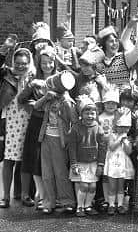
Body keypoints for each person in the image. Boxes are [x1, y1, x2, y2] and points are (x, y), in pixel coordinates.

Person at [17, 46, 57, 209]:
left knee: (49, 161)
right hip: (36, 123)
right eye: (44, 63)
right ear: (39, 64)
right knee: (33, 158)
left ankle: (48, 195)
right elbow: (21, 99)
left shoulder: (60, 79)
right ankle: (36, 194)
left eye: (50, 62)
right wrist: (31, 100)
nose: (47, 66)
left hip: (53, 124)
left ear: (54, 62)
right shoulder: (35, 81)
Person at [36, 71, 77, 215]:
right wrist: (45, 97)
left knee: (60, 172)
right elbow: (36, 106)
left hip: (60, 140)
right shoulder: (49, 98)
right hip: (45, 138)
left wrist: (69, 140)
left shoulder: (67, 102)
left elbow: (74, 122)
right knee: (46, 173)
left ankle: (67, 201)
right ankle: (49, 202)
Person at [0, 46, 35, 209]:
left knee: (25, 159)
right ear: (14, 62)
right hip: (11, 120)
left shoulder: (34, 77)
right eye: (18, 63)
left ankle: (25, 195)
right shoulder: (7, 75)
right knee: (9, 159)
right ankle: (5, 196)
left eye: (25, 63)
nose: (21, 66)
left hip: (28, 120)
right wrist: (4, 50)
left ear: (30, 63)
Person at [68, 96, 107, 217]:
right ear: (81, 113)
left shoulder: (98, 129)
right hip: (80, 162)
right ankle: (80, 206)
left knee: (92, 186)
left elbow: (102, 148)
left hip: (93, 163)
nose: (90, 116)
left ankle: (88, 205)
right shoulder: (75, 128)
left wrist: (101, 164)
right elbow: (72, 148)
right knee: (83, 185)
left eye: (92, 113)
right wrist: (74, 164)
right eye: (87, 113)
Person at [103, 108, 135, 215]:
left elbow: (128, 151)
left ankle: (120, 204)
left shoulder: (128, 138)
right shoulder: (112, 135)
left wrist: (126, 142)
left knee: (121, 186)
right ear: (116, 126)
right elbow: (111, 147)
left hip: (123, 164)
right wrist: (119, 139)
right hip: (113, 163)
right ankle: (111, 204)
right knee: (112, 186)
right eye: (121, 127)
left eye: (126, 127)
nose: (123, 129)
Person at [97, 20, 138, 89]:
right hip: (107, 98)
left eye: (116, 40)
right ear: (104, 44)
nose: (115, 43)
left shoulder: (124, 57)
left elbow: (137, 52)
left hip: (124, 98)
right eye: (111, 41)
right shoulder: (99, 61)